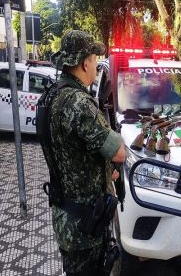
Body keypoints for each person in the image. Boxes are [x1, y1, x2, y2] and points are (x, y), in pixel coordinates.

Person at [42, 30, 126, 275]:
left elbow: (70, 154)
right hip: (85, 226)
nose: (96, 66)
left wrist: (101, 171)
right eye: (94, 59)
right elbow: (119, 152)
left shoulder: (53, 96)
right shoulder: (79, 103)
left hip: (66, 215)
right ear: (84, 62)